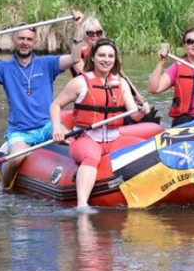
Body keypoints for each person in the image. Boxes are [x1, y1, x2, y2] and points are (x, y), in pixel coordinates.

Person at [0, 10, 85, 189]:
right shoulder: (3, 68)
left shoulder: (47, 64)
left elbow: (75, 58)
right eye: (21, 38)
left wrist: (77, 27)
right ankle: (3, 189)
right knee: (16, 159)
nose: (25, 43)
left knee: (76, 145)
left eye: (29, 39)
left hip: (47, 125)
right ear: (13, 40)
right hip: (20, 131)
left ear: (35, 42)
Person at [50, 38, 152, 212]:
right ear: (93, 58)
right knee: (92, 156)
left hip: (113, 138)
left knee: (144, 149)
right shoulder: (80, 83)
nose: (106, 60)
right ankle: (82, 205)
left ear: (115, 59)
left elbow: (134, 115)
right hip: (85, 139)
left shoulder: (122, 83)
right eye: (102, 55)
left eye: (110, 56)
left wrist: (143, 111)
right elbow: (56, 105)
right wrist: (57, 127)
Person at [146, 28, 194, 127]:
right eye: (190, 41)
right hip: (184, 119)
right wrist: (161, 62)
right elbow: (153, 89)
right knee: (184, 120)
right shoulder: (177, 67)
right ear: (185, 46)